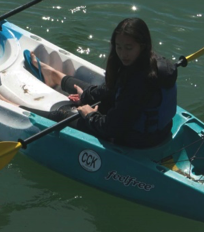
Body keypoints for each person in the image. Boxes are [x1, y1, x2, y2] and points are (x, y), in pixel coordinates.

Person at [24, 17, 177, 148]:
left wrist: (90, 115)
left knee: (63, 114)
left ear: (142, 46)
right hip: (159, 131)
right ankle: (55, 76)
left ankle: (12, 106)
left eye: (129, 48)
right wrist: (86, 97)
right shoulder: (151, 63)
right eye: (119, 47)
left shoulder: (137, 84)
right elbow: (111, 88)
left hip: (136, 141)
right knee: (91, 89)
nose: (123, 54)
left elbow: (111, 129)